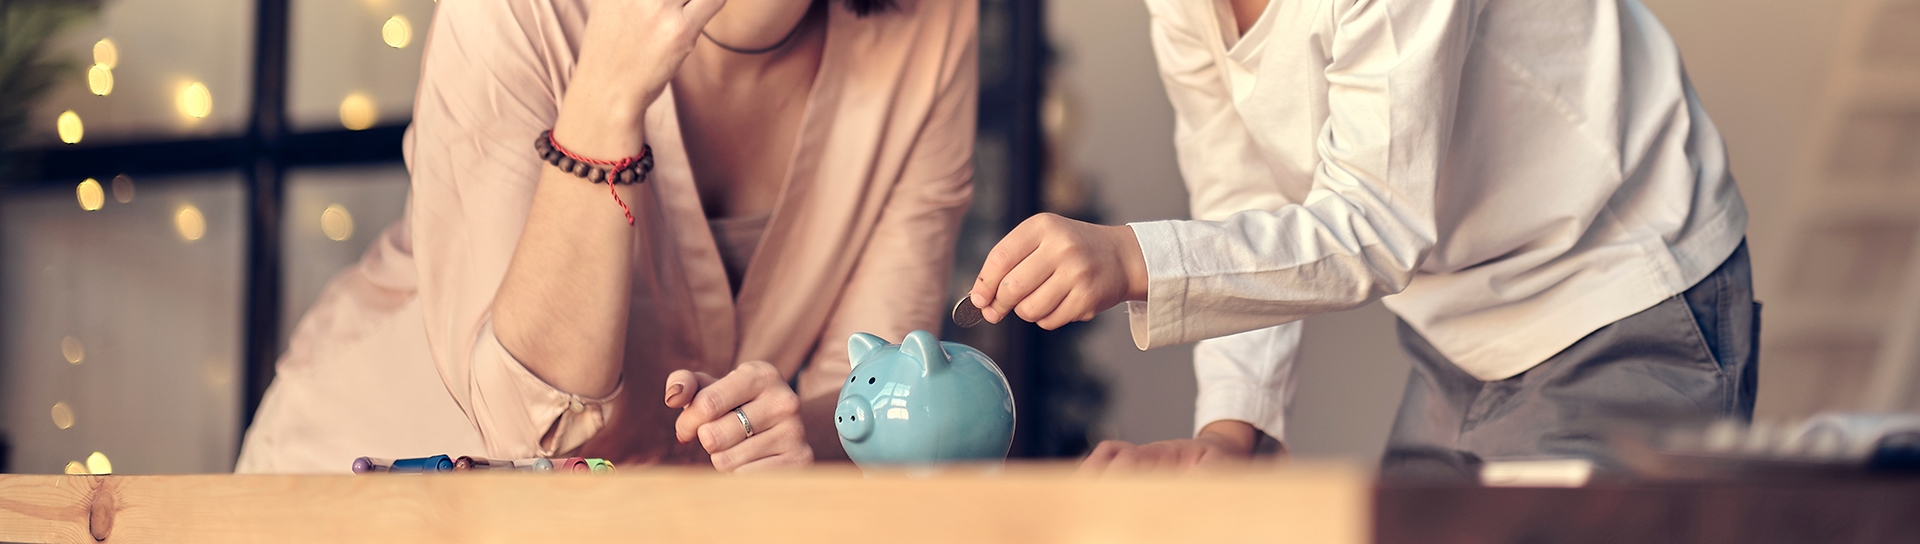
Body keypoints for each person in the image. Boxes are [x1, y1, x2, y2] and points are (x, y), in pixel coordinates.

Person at [974, 0, 1756, 476]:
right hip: (1456, 335)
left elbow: (1376, 222)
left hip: (1618, 296)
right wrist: (1231, 431)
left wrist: (1132, 257)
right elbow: (1240, 200)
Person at [236, 0, 976, 473]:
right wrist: (605, 102)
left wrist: (791, 435)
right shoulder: (513, 11)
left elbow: (881, 402)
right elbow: (528, 427)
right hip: (371, 482)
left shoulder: (930, 23)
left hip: (657, 521)